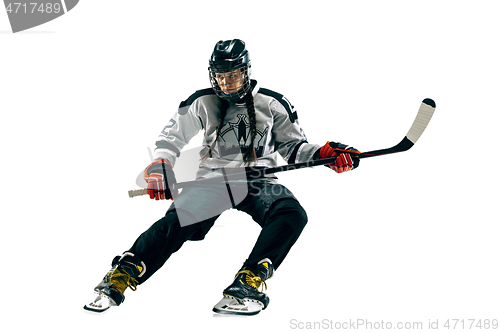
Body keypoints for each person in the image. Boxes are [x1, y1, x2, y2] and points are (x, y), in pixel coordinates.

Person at [84, 39, 360, 315]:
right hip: (211, 181)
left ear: (246, 71)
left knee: (291, 214)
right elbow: (170, 139)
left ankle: (247, 283)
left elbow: (293, 148)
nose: (226, 83)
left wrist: (323, 154)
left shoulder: (274, 103)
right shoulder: (202, 101)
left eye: (232, 75)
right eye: (220, 76)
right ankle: (121, 276)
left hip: (258, 180)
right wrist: (161, 166)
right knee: (176, 222)